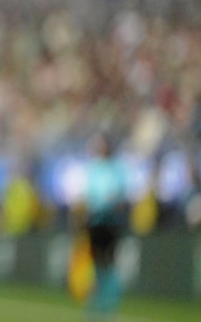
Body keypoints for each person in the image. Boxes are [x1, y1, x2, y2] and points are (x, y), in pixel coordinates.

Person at [83, 132, 127, 320]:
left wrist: (107, 205)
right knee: (97, 263)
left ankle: (110, 302)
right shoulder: (95, 168)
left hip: (111, 223)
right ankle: (98, 301)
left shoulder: (117, 169)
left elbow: (119, 196)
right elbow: (91, 196)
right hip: (96, 222)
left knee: (110, 262)